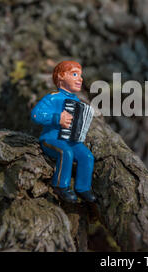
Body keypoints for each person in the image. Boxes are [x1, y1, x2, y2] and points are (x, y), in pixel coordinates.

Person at [31, 60, 96, 203]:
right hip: (51, 139)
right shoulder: (52, 98)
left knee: (87, 156)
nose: (80, 79)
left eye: (80, 75)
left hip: (70, 139)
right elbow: (36, 115)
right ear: (61, 76)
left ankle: (83, 187)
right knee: (66, 152)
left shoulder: (76, 101)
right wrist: (57, 118)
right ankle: (60, 185)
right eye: (74, 74)